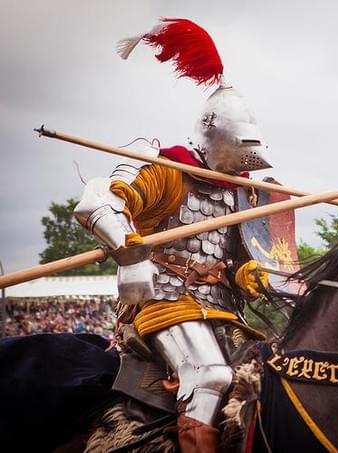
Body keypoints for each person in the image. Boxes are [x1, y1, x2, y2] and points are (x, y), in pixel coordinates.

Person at [74, 18, 272, 452]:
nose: (246, 162)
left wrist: (249, 275)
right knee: (212, 375)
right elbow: (98, 202)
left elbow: (241, 258)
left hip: (221, 310)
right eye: (242, 148)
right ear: (215, 134)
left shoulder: (245, 191)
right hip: (163, 301)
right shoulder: (167, 170)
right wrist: (131, 253)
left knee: (271, 374)